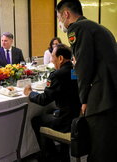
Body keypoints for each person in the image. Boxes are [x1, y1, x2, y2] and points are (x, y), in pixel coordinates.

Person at [56, 0, 117, 162]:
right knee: (109, 146)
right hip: (111, 94)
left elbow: (83, 67)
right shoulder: (99, 28)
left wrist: (83, 100)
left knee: (98, 149)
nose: (60, 22)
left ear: (66, 14)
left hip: (100, 98)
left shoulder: (76, 28)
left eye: (59, 18)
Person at [24, 44, 81, 162]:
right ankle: (62, 154)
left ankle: (50, 156)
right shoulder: (75, 70)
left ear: (60, 58)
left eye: (52, 56)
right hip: (76, 117)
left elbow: (44, 100)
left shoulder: (57, 75)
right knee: (50, 112)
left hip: (65, 120)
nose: (50, 60)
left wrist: (30, 93)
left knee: (36, 120)